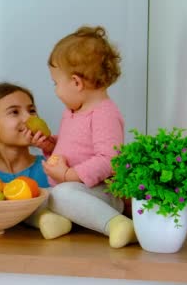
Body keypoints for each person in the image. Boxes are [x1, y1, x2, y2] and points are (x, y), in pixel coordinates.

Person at [32, 25, 136, 248]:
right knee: (35, 197)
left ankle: (116, 223)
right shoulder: (74, 111)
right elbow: (75, 146)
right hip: (75, 190)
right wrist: (52, 145)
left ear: (76, 83)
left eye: (56, 83)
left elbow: (109, 158)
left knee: (61, 195)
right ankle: (57, 220)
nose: (55, 90)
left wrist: (69, 174)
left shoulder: (105, 113)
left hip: (101, 193)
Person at [0, 82, 72, 239]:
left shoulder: (52, 166)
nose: (29, 117)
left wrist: (54, 150)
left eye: (32, 110)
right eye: (15, 112)